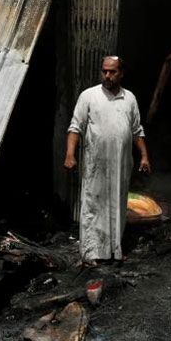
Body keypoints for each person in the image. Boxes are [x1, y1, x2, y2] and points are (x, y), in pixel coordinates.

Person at [64, 56, 151, 263]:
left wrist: (145, 156)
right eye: (104, 71)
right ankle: (90, 253)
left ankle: (114, 250)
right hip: (96, 163)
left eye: (112, 71)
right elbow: (75, 127)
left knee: (117, 205)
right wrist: (70, 154)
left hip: (121, 164)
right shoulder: (89, 96)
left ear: (121, 73)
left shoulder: (129, 98)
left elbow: (137, 130)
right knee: (93, 205)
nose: (107, 75)